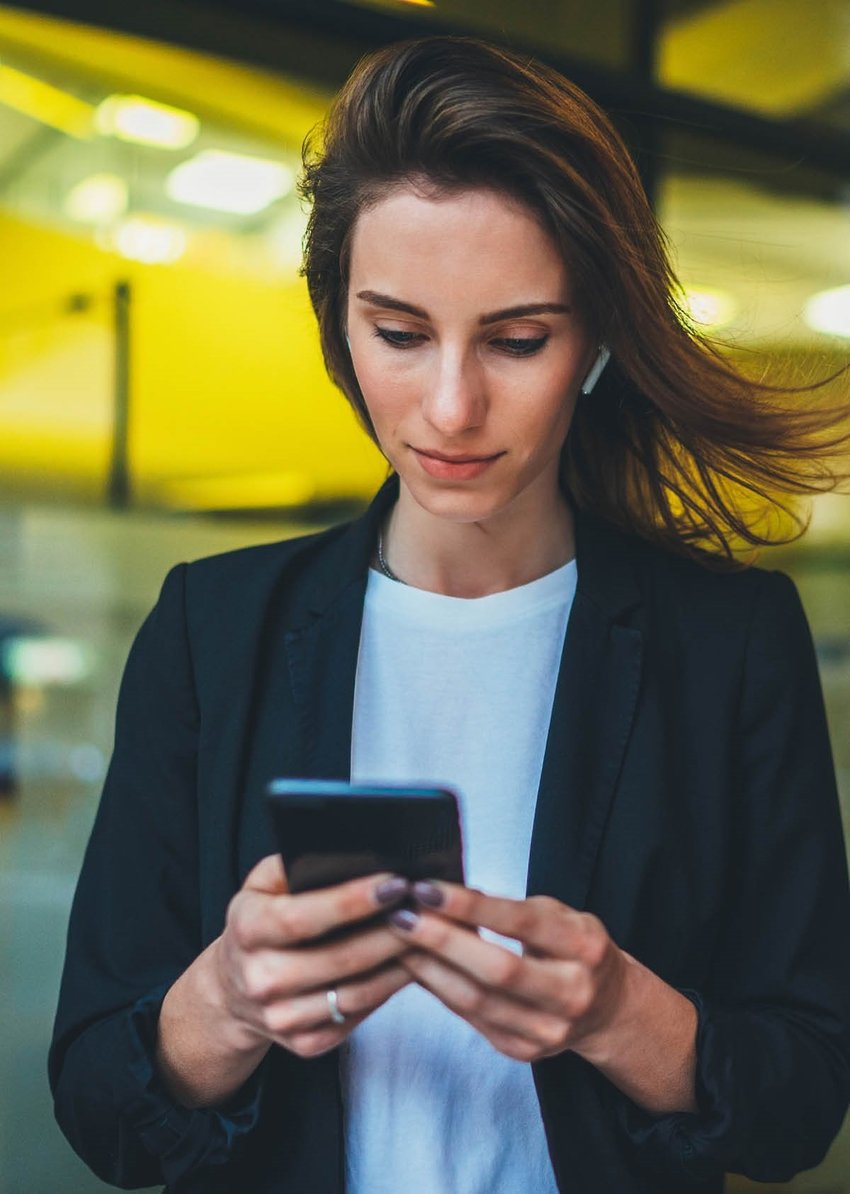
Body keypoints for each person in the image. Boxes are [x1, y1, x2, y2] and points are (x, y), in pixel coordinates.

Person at [49, 35, 850, 1194]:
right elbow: (95, 1104)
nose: (451, 406)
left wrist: (621, 1012)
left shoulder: (727, 647)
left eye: (518, 340)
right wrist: (224, 999)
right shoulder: (208, 630)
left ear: (597, 343)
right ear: (337, 324)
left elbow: (801, 1105)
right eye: (400, 332)